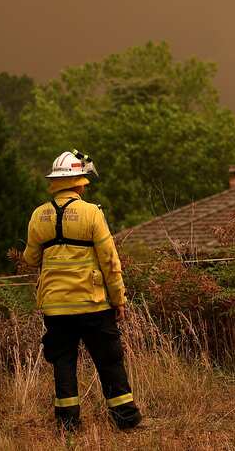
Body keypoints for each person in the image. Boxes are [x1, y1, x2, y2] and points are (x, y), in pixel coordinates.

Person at [22, 151, 141, 432]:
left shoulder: (39, 215)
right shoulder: (91, 213)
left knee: (63, 362)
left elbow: (30, 258)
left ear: (56, 182)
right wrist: (119, 298)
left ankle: (68, 424)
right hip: (93, 303)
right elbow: (110, 260)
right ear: (78, 182)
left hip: (55, 306)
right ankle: (125, 418)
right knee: (108, 359)